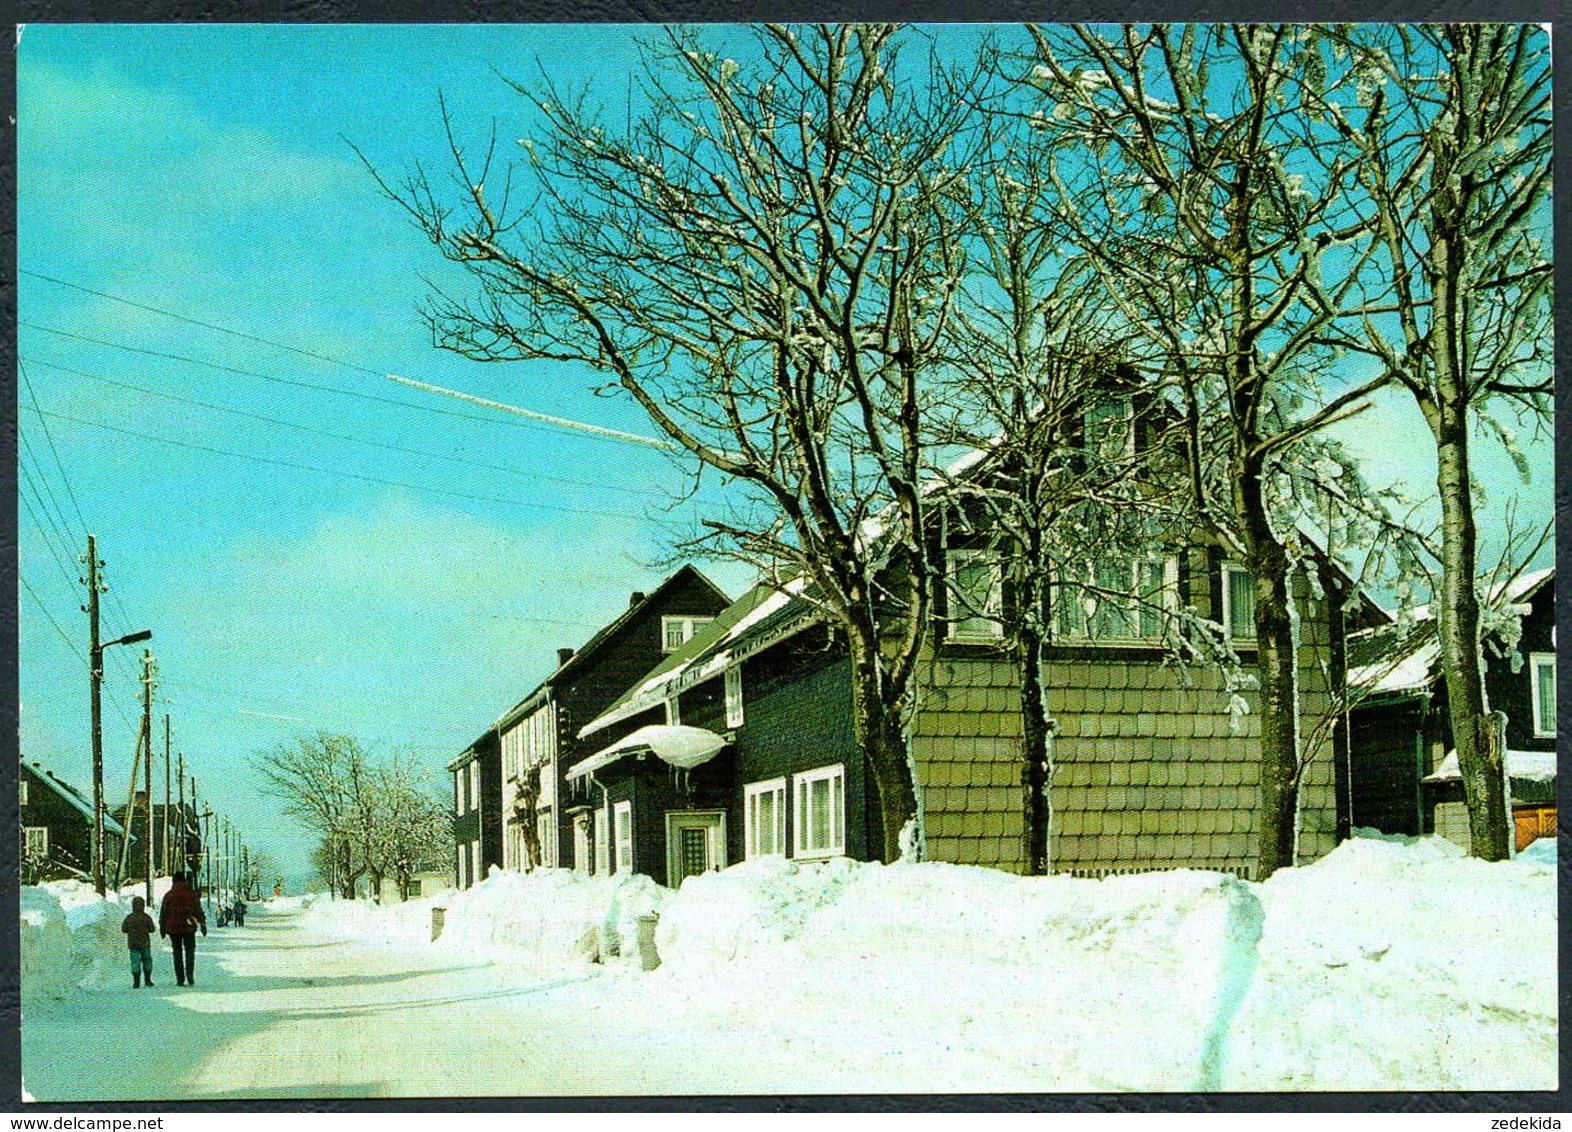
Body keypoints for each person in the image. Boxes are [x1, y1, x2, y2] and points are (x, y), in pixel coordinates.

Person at [159, 872, 207, 986]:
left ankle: (180, 979)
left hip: (173, 929)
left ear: (174, 881)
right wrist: (203, 923)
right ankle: (190, 976)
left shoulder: (168, 895)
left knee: (177, 953)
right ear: (185, 881)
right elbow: (197, 909)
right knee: (190, 952)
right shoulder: (191, 894)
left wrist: (162, 928)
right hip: (189, 927)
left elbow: (164, 913)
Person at [121, 896, 156, 989]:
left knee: (135, 962)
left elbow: (124, 929)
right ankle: (147, 980)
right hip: (145, 943)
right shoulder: (146, 917)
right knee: (147, 960)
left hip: (133, 944)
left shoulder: (129, 917)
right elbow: (152, 929)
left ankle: (136, 982)